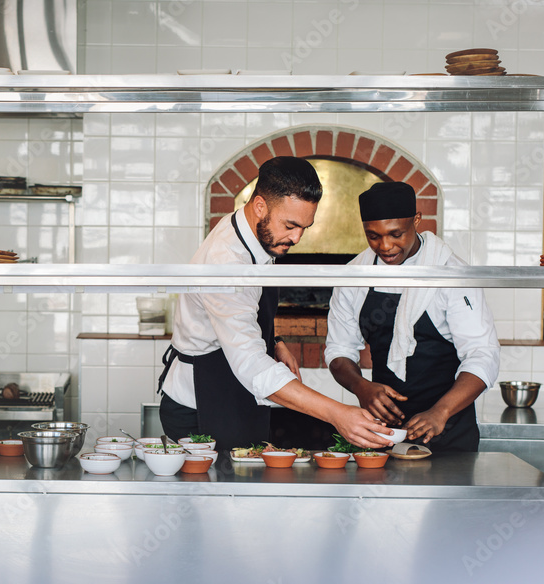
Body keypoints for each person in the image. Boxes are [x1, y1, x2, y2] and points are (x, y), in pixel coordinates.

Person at [157, 156, 393, 452]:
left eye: (305, 227)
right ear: (259, 206)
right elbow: (251, 364)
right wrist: (337, 413)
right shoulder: (226, 262)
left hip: (228, 387)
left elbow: (242, 309)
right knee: (218, 493)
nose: (297, 238)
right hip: (201, 405)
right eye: (291, 225)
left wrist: (275, 339)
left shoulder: (252, 229)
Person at [324, 181, 500, 452]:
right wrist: (361, 387)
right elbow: (339, 350)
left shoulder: (450, 273)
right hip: (384, 430)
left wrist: (440, 412)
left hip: (449, 428)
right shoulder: (354, 275)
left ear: (417, 220)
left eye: (396, 234)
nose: (385, 246)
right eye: (373, 236)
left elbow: (482, 354)